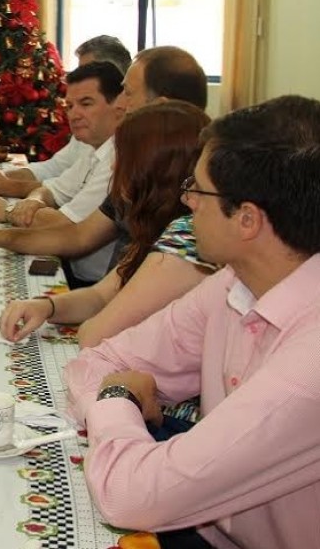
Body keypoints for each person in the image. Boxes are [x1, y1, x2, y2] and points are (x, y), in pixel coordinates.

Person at [62, 95, 320, 549]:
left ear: (247, 220)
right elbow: (94, 360)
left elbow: (128, 498)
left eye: (198, 190)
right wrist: (115, 393)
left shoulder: (309, 364)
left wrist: (117, 395)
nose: (186, 201)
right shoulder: (234, 284)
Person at [0, 46, 208, 285]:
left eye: (128, 93)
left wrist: (8, 213)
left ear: (160, 106)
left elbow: (77, 238)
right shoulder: (140, 163)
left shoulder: (185, 202)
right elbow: (80, 236)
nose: (120, 104)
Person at [0, 102, 212, 349]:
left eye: (123, 157)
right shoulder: (153, 221)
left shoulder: (182, 244)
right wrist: (47, 306)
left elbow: (92, 335)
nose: (112, 166)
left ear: (154, 169)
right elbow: (100, 295)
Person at [0, 61, 125, 285]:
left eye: (86, 103)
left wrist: (8, 212)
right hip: (70, 267)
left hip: (91, 283)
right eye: (70, 106)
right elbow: (51, 190)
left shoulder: (118, 157)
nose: (74, 114)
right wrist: (35, 200)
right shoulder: (92, 147)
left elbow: (66, 227)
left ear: (120, 106)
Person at [0, 34, 132, 197]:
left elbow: (74, 199)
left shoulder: (124, 145)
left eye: (86, 103)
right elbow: (57, 172)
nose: (74, 114)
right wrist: (2, 177)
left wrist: (6, 186)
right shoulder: (92, 134)